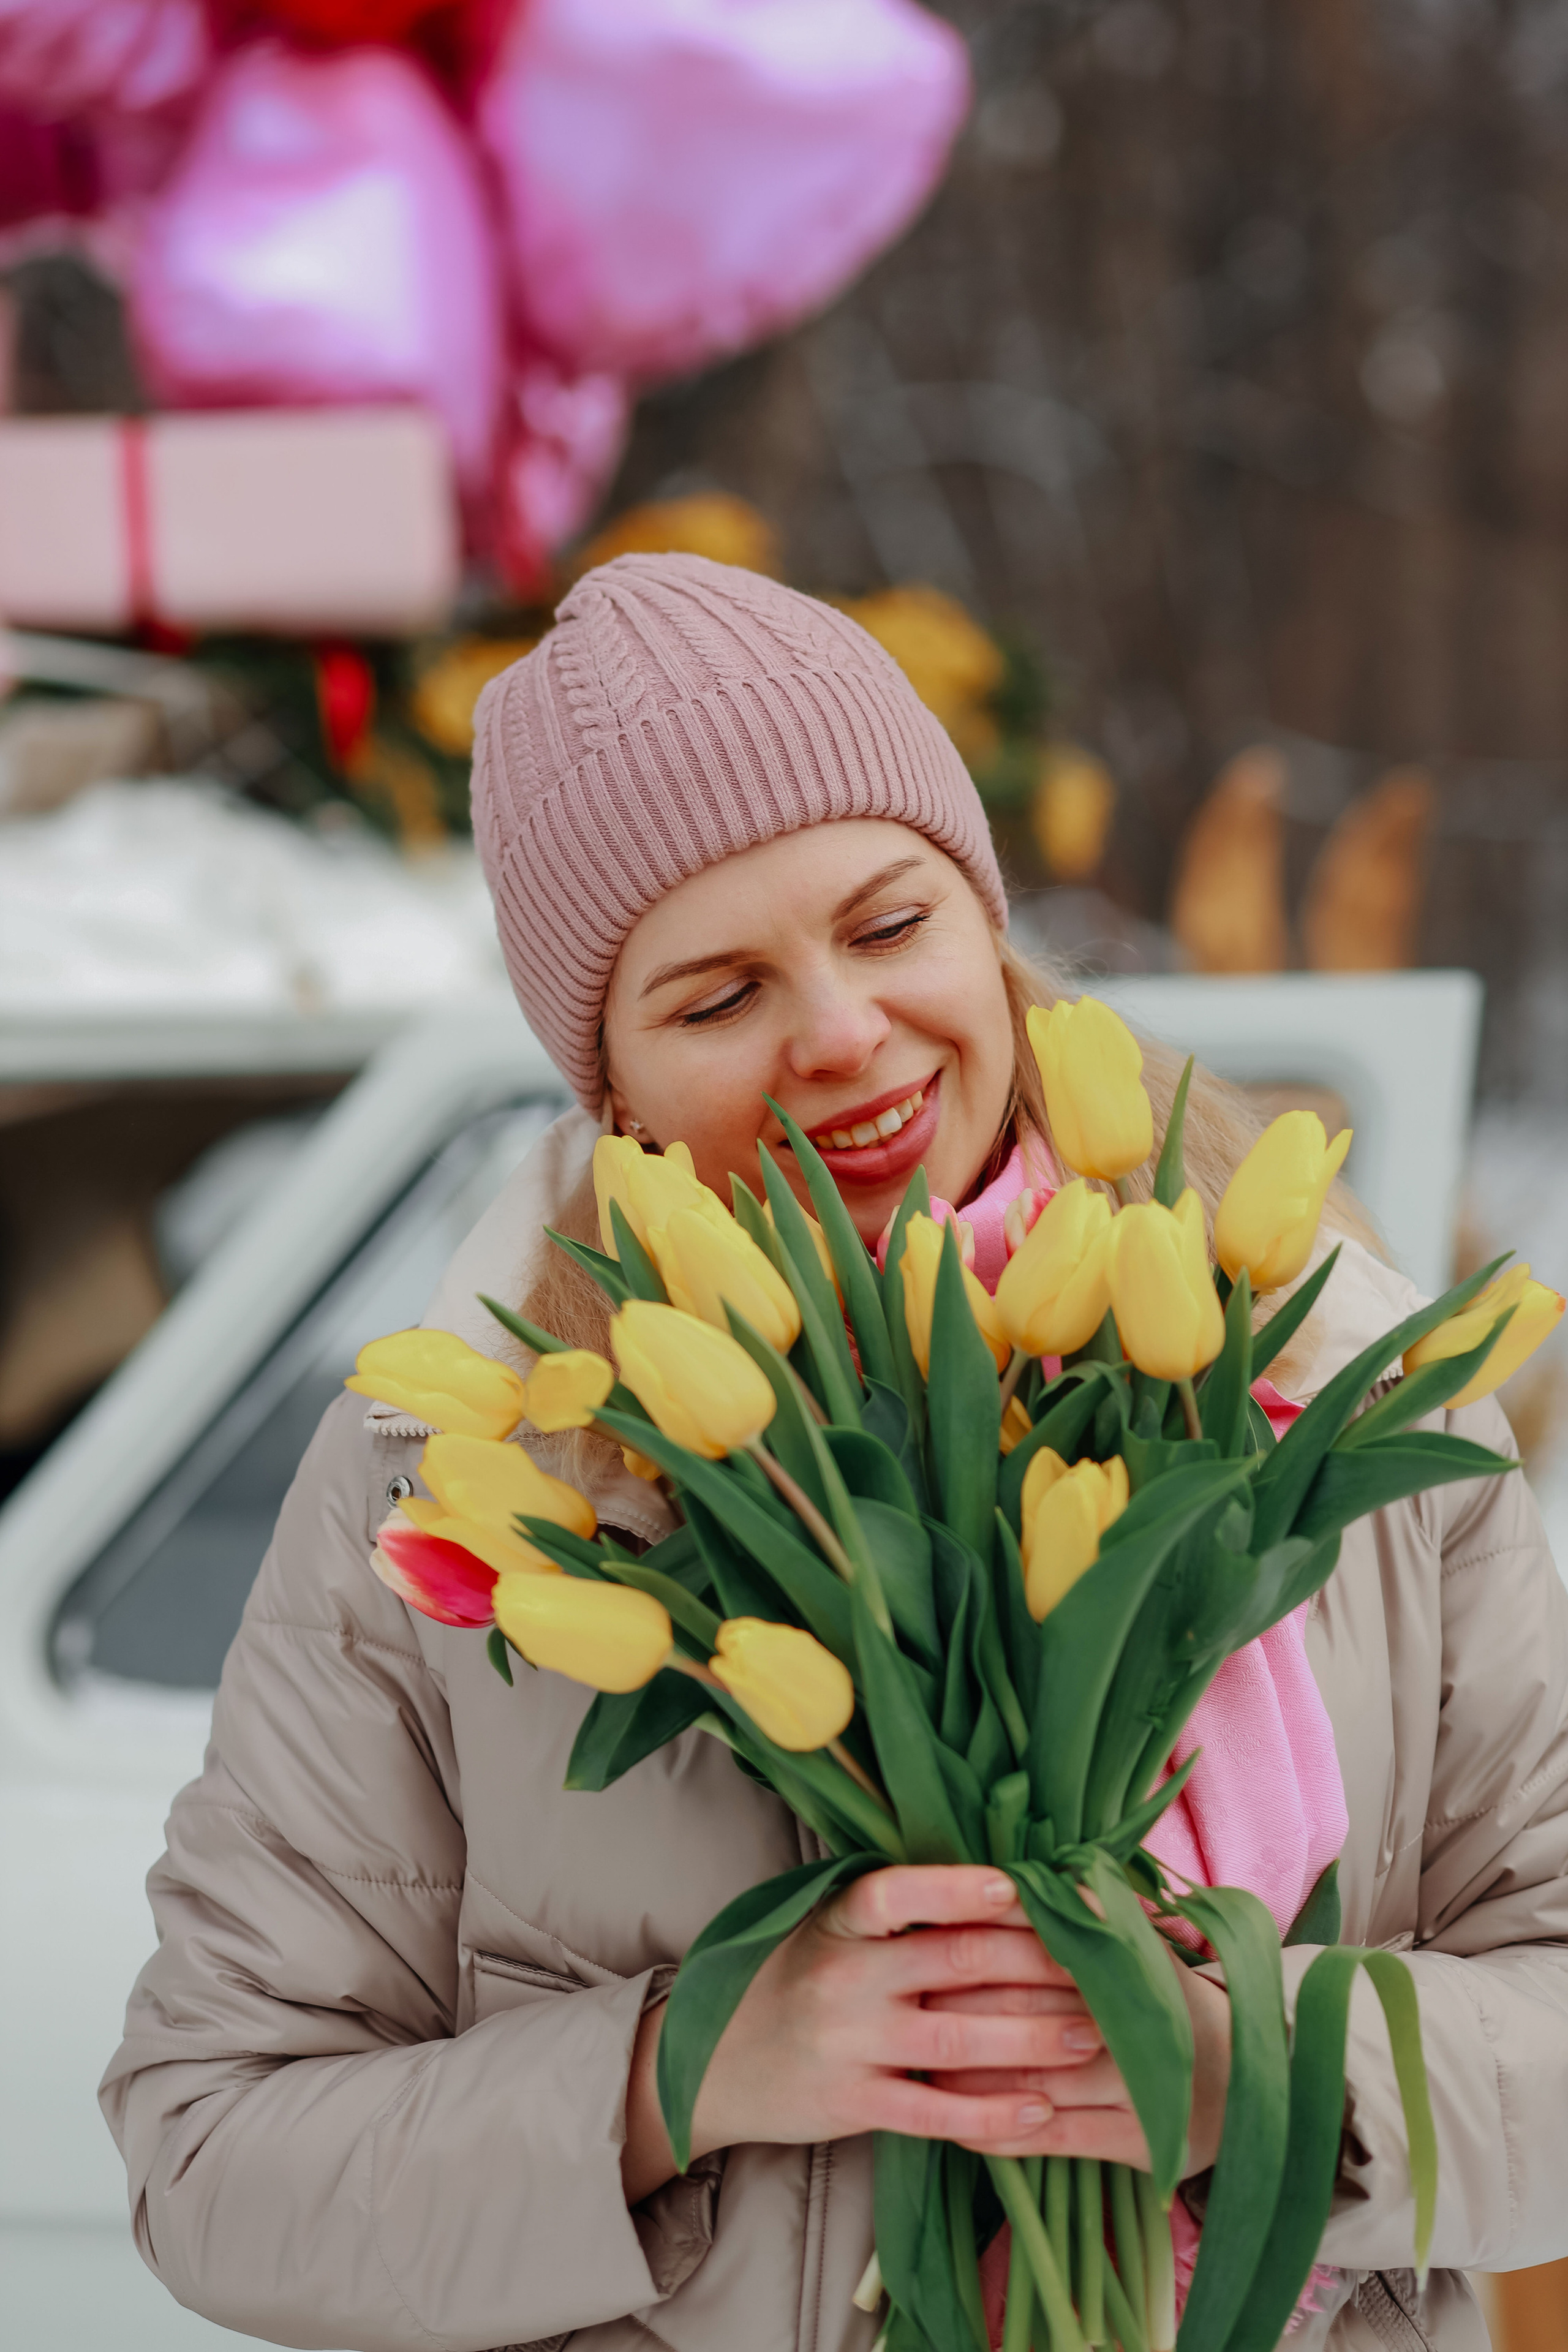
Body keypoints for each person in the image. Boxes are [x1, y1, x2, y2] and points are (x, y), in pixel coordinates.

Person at [102, 554, 1568, 2352]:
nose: (843, 1035)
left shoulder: (1342, 1381)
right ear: (610, 1084)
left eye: (890, 926)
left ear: (988, 919)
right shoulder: (468, 1486)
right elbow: (213, 2158)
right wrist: (691, 2068)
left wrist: (1243, 2075)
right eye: (715, 999)